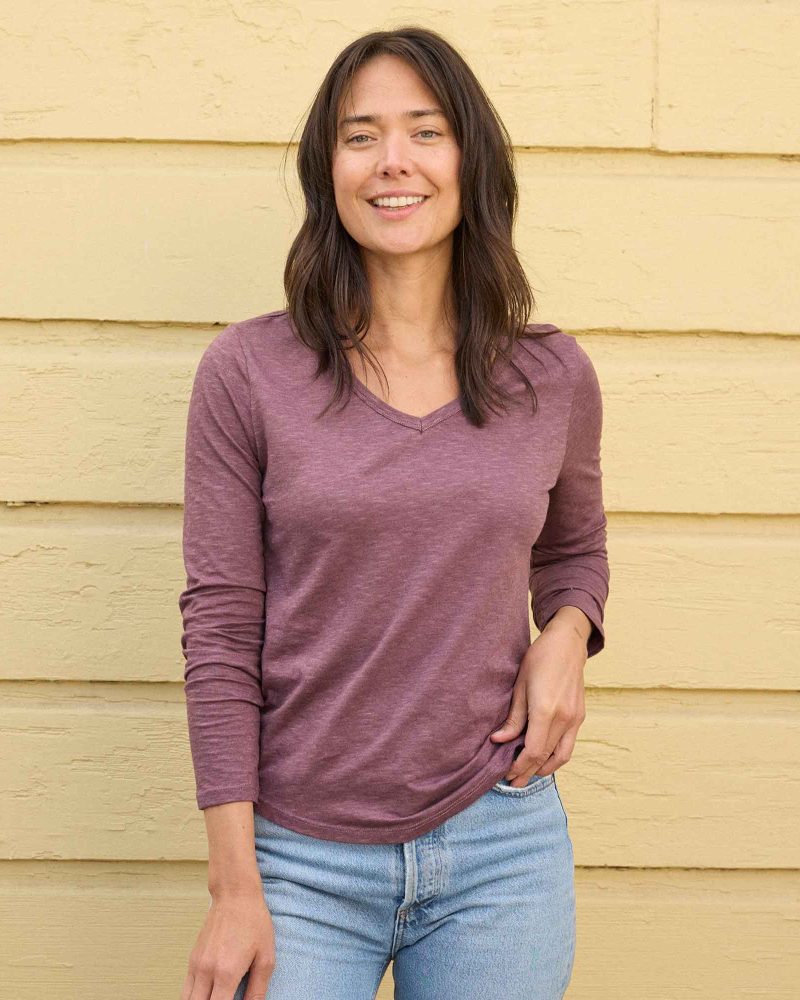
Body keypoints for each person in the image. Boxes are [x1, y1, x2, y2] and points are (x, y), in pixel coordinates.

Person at [178, 25, 610, 1000]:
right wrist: (235, 886)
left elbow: (574, 549)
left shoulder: (549, 374)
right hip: (299, 860)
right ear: (327, 169)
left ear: (470, 159)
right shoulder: (249, 373)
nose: (393, 161)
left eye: (425, 130)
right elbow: (220, 630)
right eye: (360, 135)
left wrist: (566, 634)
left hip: (500, 843)